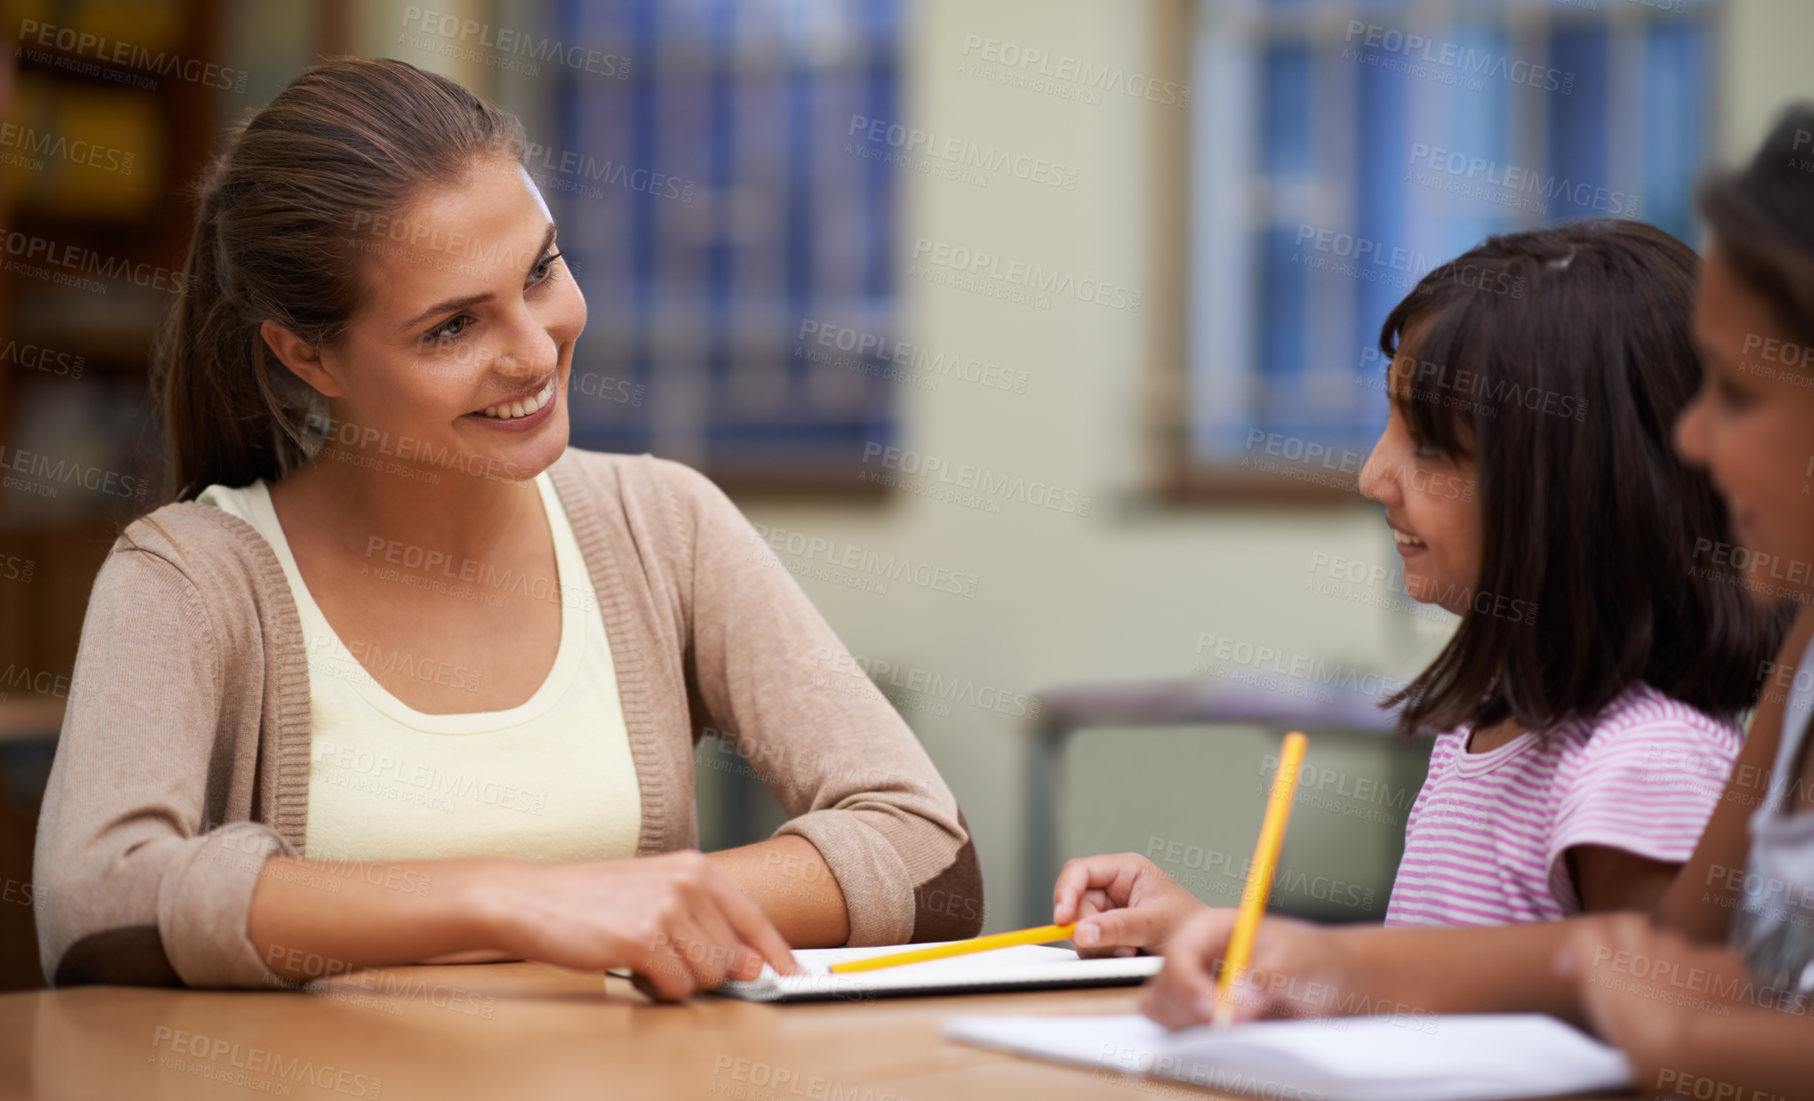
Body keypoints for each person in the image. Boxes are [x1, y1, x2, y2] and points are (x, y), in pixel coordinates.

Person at [32, 58, 981, 1000]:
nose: (534, 351)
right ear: (307, 355)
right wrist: (499, 899)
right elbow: (97, 904)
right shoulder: (191, 576)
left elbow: (929, 855)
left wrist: (628, 900)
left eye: (541, 271)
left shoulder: (663, 524)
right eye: (452, 327)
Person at [1140, 108, 1814, 1100]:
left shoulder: (1647, 758)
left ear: (1567, 490)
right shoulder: (1788, 669)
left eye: (1741, 394)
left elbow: (1669, 1008)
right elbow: (1664, 963)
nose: (1693, 443)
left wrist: (1599, 972)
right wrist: (1271, 952)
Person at [1051, 220, 1785, 962]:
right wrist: (1213, 939)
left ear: (1577, 491)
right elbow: (1415, 992)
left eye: (1428, 444)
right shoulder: (1488, 718)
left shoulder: (1647, 763)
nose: (1373, 476)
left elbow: (1647, 1038)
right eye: (1391, 424)